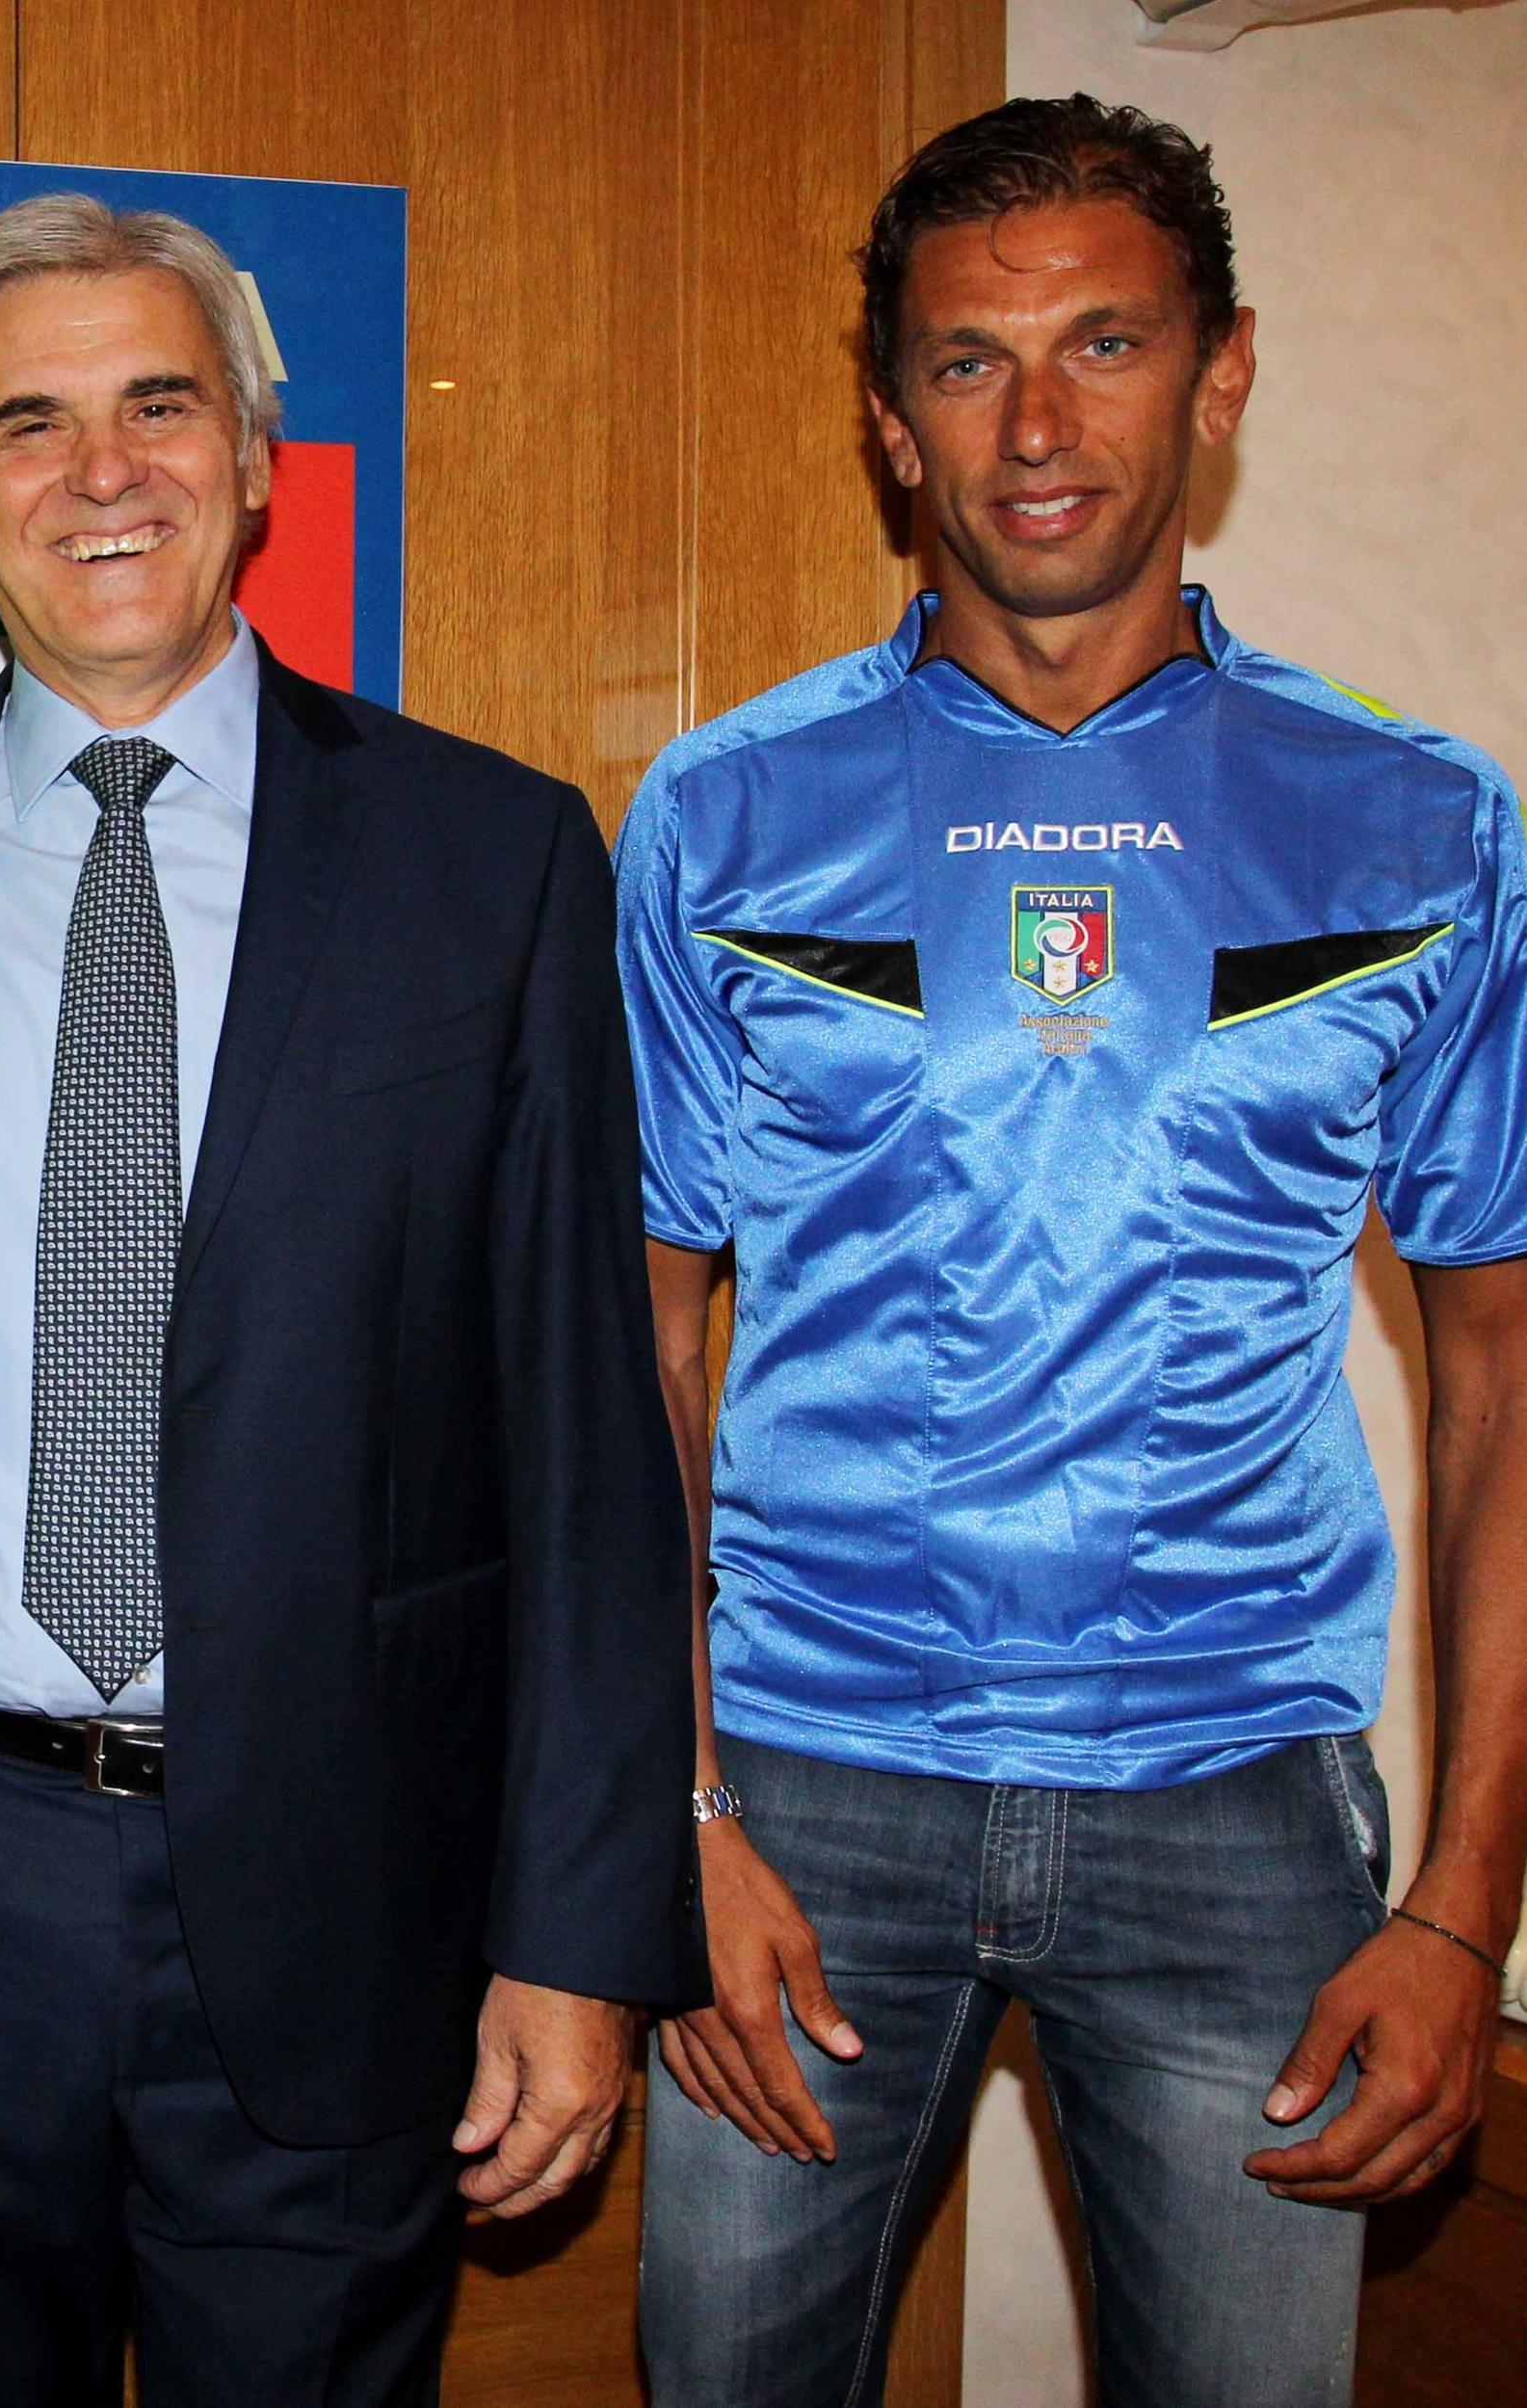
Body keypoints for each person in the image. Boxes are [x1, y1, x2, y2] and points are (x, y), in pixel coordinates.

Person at [0, 194, 701, 2406]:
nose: (101, 467)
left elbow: (584, 1437)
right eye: (24, 424)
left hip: (349, 1886)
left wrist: (577, 1936)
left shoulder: (489, 859)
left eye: (159, 402)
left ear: (253, 457)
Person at [624, 96, 1527, 2408]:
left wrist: (1455, 1905)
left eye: (1101, 344)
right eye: (963, 362)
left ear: (1217, 379)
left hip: (1237, 1802)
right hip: (802, 1800)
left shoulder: (1418, 823)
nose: (1033, 426)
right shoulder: (721, 812)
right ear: (885, 417)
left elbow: (1498, 1387)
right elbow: (637, 1353)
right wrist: (678, 1813)